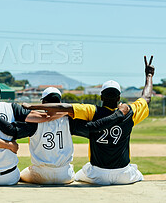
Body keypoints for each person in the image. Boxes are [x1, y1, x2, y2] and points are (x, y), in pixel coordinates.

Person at [21, 56, 155, 185]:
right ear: (119, 97)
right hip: (123, 173)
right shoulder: (129, 112)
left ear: (101, 97)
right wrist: (149, 75)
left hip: (97, 174)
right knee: (138, 175)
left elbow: (64, 107)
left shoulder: (92, 111)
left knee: (79, 175)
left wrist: (32, 106)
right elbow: (146, 97)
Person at [0, 87, 131, 184]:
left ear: (43, 102)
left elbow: (11, 130)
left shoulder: (34, 121)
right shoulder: (71, 121)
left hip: (40, 174)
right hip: (65, 175)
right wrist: (118, 116)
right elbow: (93, 129)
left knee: (20, 174)